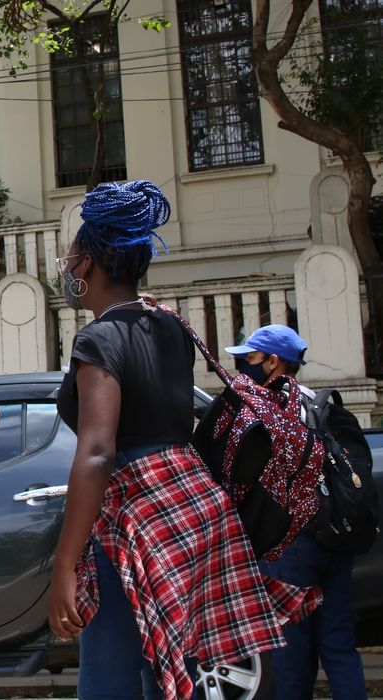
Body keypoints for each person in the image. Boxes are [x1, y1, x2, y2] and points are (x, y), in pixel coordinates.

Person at [46, 179, 320, 698]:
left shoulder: (98, 338)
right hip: (193, 504)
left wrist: (64, 564)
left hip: (133, 517)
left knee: (108, 670)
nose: (67, 268)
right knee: (168, 670)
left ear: (88, 266)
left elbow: (99, 451)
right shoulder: (168, 326)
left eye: (71, 257)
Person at [227, 326, 369, 699]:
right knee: (338, 644)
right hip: (332, 538)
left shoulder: (264, 407)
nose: (241, 364)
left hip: (288, 545)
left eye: (250, 358)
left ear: (274, 362)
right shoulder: (319, 405)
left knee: (290, 653)